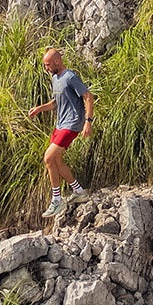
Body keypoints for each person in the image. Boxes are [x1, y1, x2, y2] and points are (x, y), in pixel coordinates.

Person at [28, 48, 94, 218]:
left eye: (48, 64)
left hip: (72, 124)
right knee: (56, 160)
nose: (46, 68)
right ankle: (79, 191)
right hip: (60, 124)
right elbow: (56, 102)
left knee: (48, 158)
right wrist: (39, 109)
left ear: (57, 62)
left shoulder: (70, 77)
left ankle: (57, 200)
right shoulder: (55, 78)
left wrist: (88, 122)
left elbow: (88, 96)